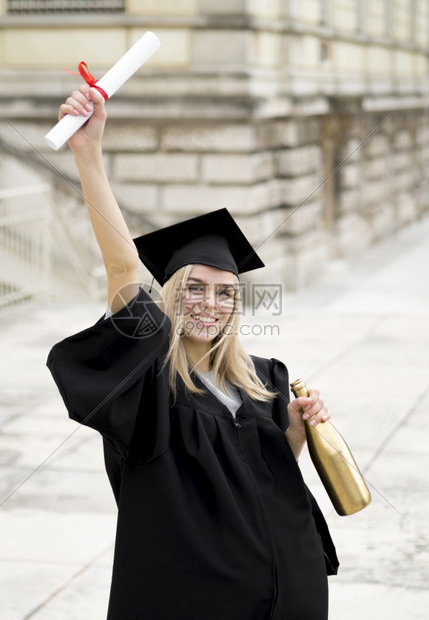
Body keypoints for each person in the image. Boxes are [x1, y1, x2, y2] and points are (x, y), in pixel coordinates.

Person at [47, 84, 339, 620]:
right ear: (170, 294)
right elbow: (121, 269)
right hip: (194, 600)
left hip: (288, 589)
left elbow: (267, 474)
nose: (210, 303)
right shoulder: (149, 385)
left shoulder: (266, 378)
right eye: (194, 288)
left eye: (225, 291)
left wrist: (296, 429)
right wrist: (88, 153)